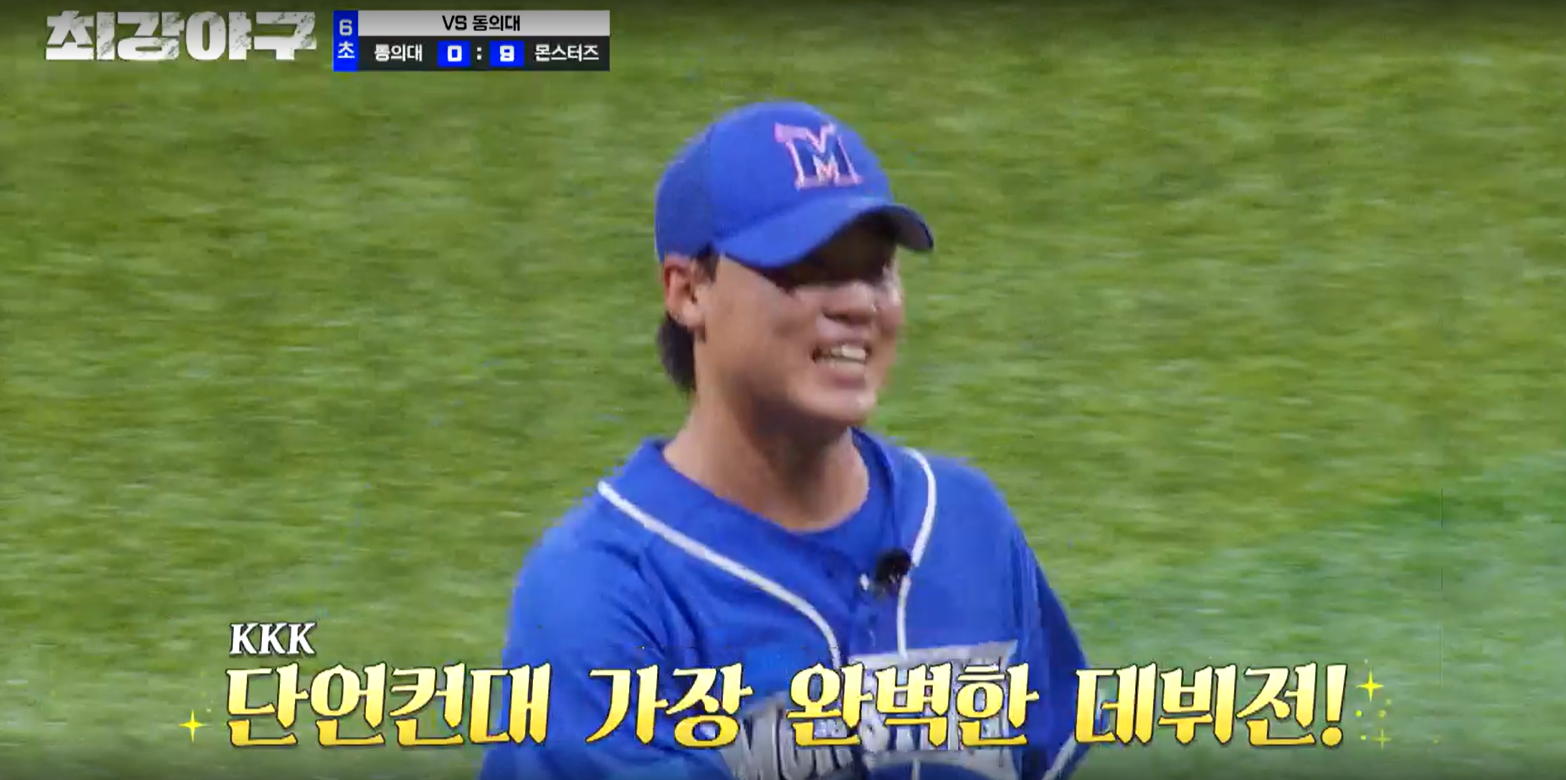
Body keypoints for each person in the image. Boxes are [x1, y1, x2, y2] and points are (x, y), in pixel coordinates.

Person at [478, 100, 1096, 780]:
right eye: (807, 269)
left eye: (877, 270)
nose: (857, 303)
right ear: (688, 292)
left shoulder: (966, 522)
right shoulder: (599, 596)